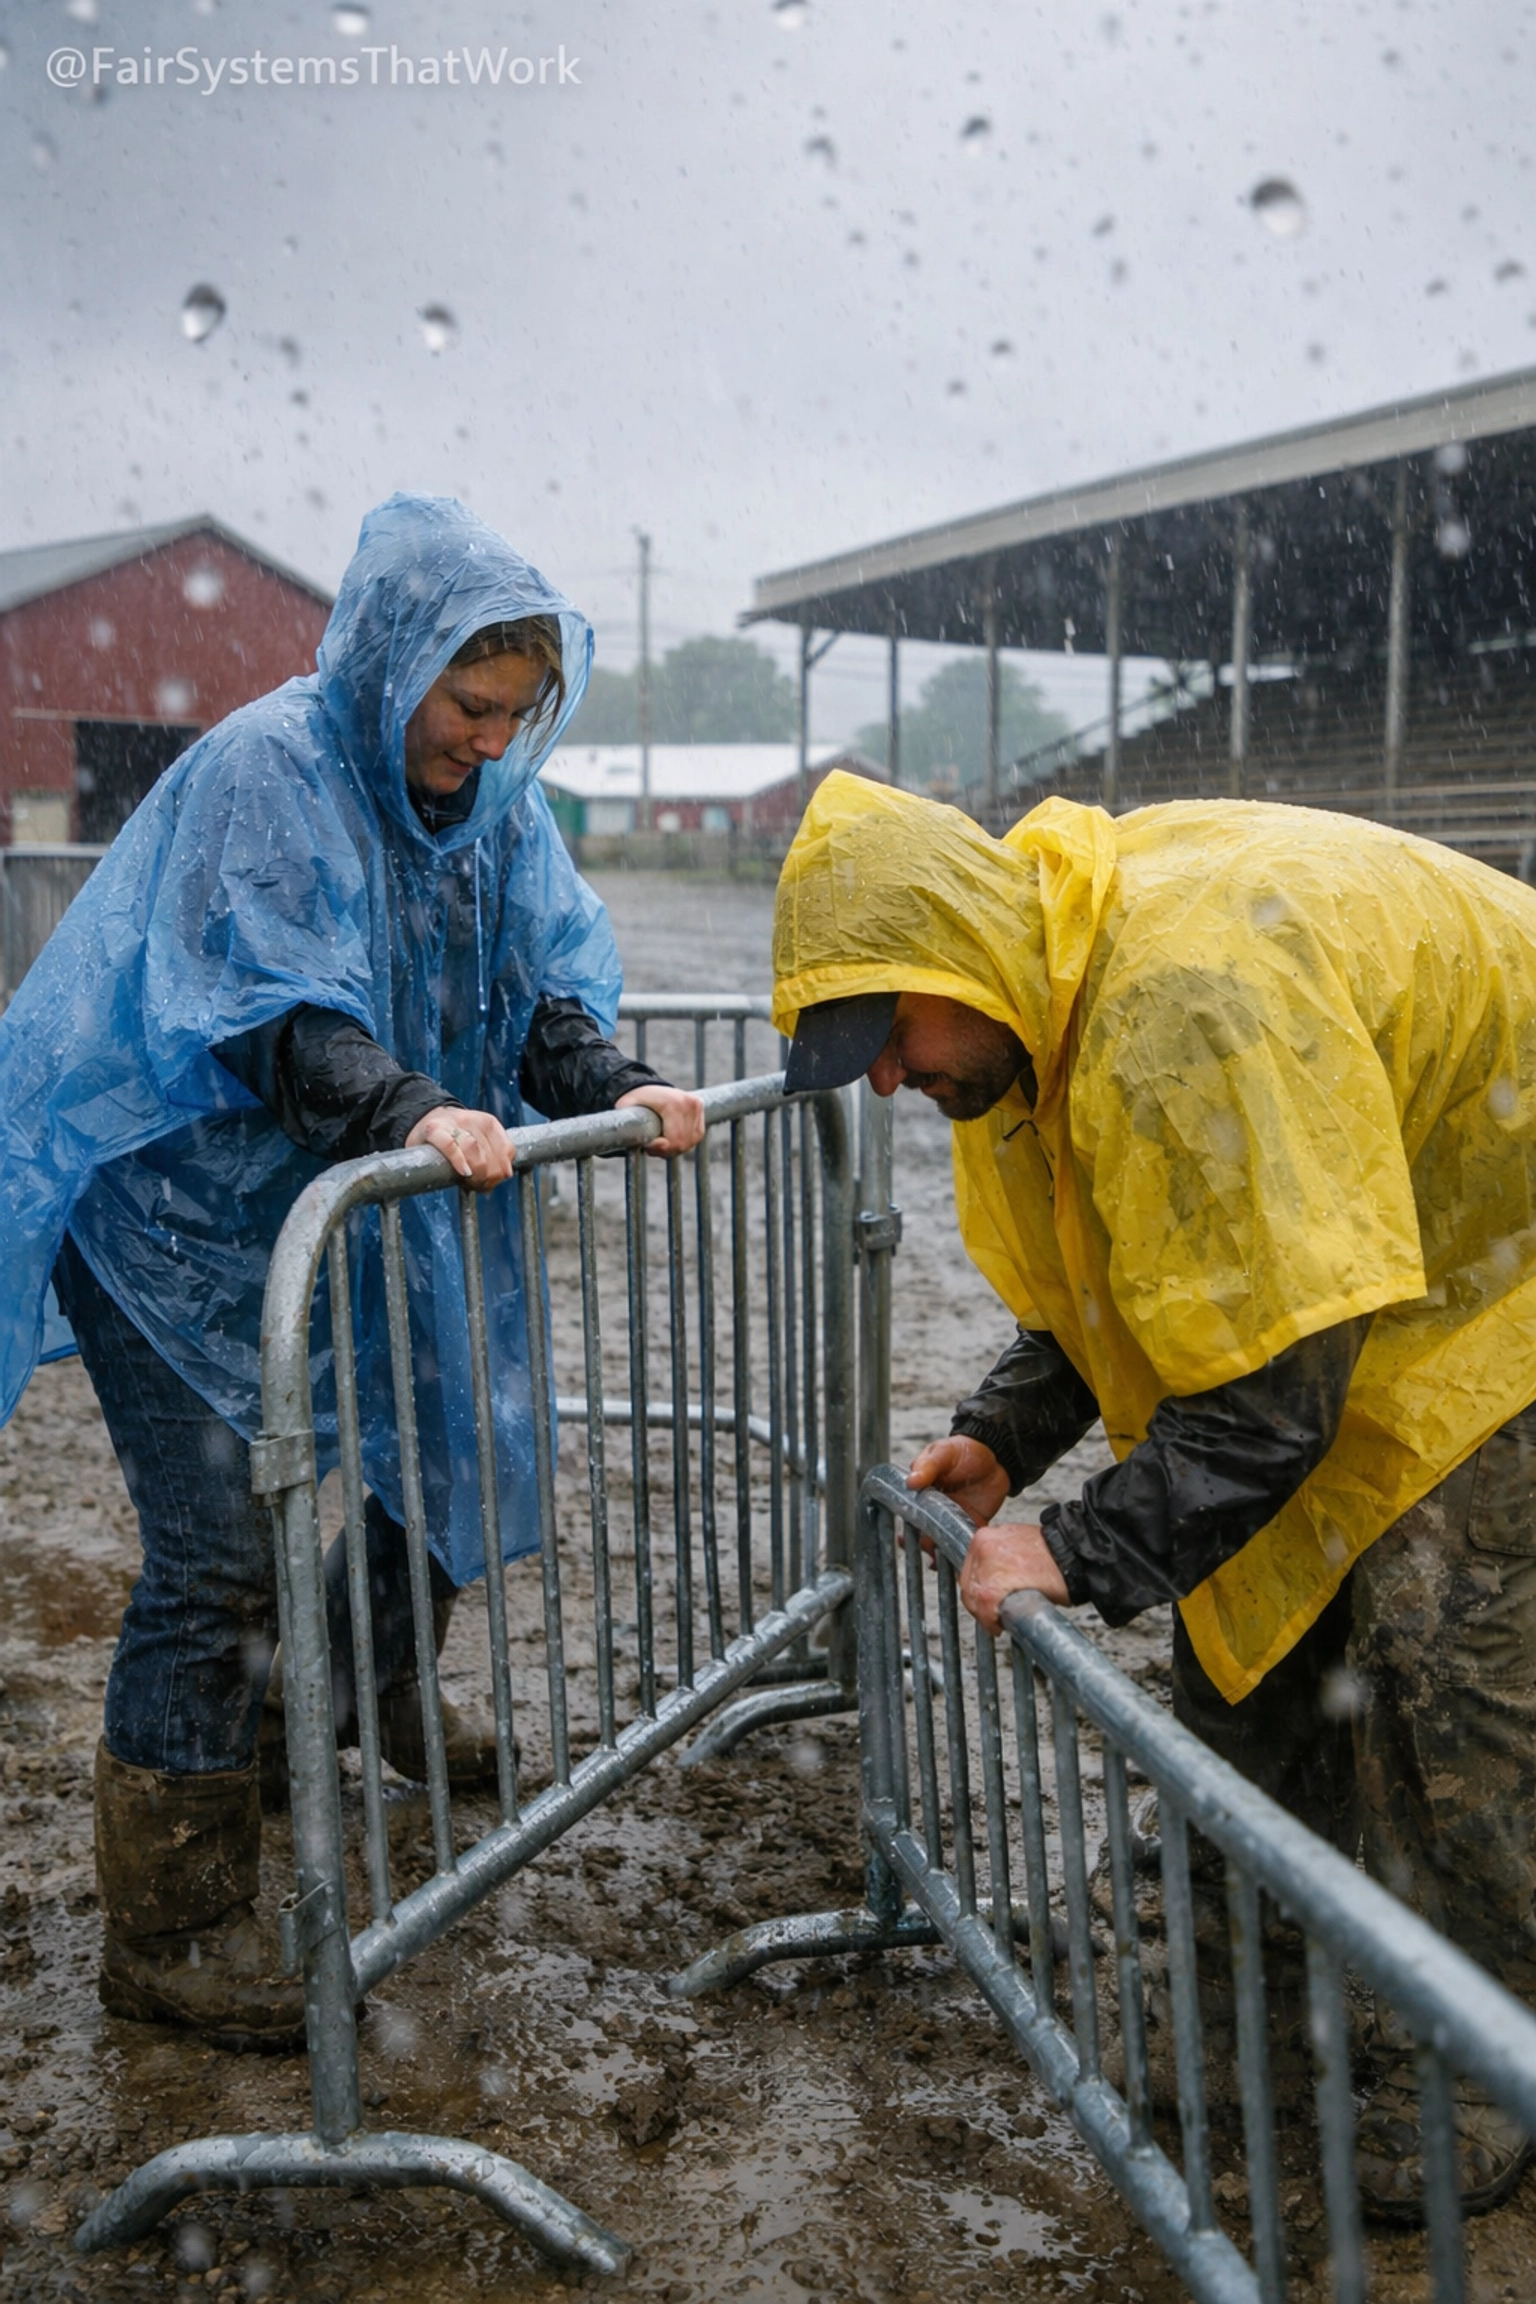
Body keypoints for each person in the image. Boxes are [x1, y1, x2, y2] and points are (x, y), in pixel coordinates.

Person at [773, 769, 1536, 2222]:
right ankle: (1257, 2011)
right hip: (1374, 1254)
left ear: (957, 961)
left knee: (1451, 1675)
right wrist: (1011, 1431)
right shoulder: (1029, 1015)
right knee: (1258, 1619)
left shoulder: (1184, 1004)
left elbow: (1276, 1396)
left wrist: (1075, 1544)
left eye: (891, 1034)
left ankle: (1472, 2074)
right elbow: (1121, 1270)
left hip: (1505, 1254)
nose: (886, 1078)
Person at [0, 495, 703, 2050]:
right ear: (395, 666)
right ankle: (171, 1923)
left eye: (519, 714)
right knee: (218, 1549)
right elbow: (267, 1012)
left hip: (340, 1197)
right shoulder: (272, 771)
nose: (489, 741)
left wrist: (617, 1079)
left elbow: (532, 999)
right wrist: (405, 1110)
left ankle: (344, 1703)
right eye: (468, 706)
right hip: (176, 1220)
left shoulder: (494, 813)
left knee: (433, 1449)